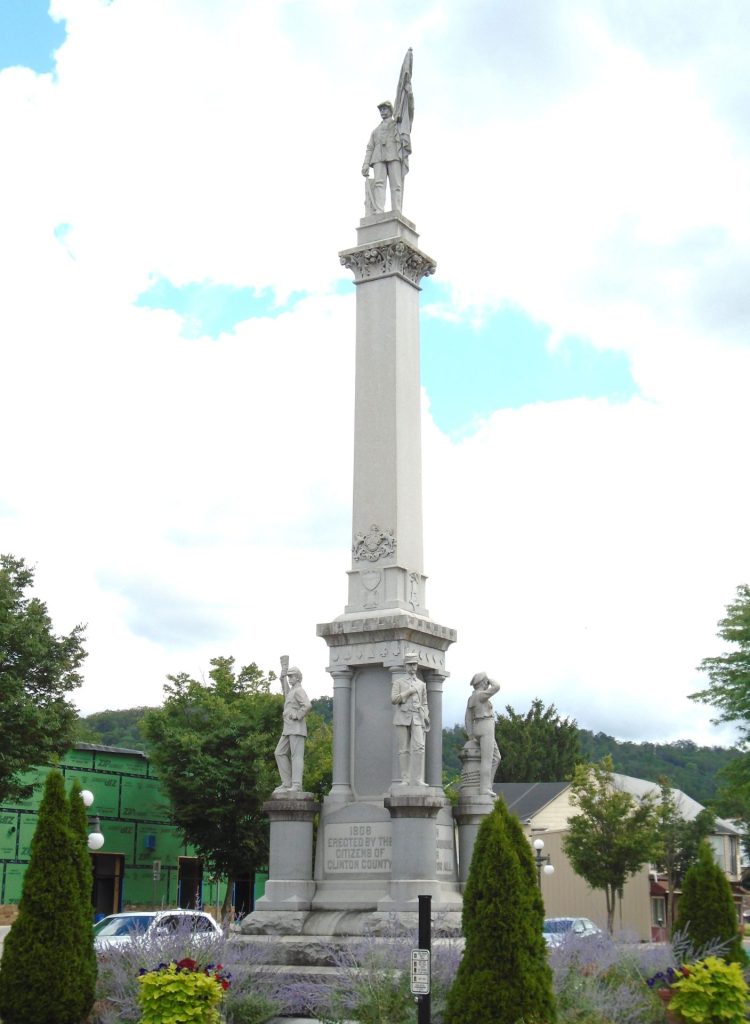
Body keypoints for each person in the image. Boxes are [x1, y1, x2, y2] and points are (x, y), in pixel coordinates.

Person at [391, 653, 430, 785]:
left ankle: (418, 779)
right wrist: (408, 692)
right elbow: (394, 699)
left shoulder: (421, 684)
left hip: (418, 717)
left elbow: (424, 702)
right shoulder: (399, 682)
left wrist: (426, 715)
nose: (413, 667)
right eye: (410, 664)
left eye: (415, 664)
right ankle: (405, 778)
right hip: (402, 717)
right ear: (405, 666)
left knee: (419, 747)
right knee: (404, 749)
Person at [273, 664, 312, 794]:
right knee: (279, 752)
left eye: (291, 676)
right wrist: (282, 678)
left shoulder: (299, 690)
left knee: (297, 756)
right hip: (288, 728)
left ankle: (296, 784)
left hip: (296, 727)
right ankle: (287, 782)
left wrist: (297, 715)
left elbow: (307, 705)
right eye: (289, 676)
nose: (289, 679)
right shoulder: (292, 691)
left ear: (298, 678)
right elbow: (286, 692)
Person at [465, 672, 501, 797]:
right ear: (483, 682)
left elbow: (468, 717)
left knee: (496, 758)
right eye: (485, 681)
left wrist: (470, 734)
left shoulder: (472, 697)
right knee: (487, 759)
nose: (487, 683)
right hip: (486, 725)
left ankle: (487, 785)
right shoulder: (480, 695)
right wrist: (490, 680)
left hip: (479, 727)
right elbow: (497, 687)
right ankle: (484, 789)